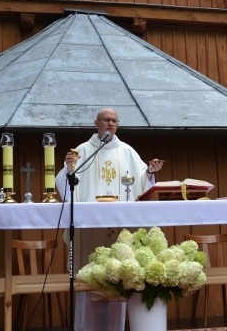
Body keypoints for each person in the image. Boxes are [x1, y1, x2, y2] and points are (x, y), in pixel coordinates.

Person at [55, 107, 164, 331]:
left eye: (114, 120)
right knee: (90, 275)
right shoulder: (83, 151)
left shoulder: (127, 151)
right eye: (106, 120)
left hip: (120, 225)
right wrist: (68, 169)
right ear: (96, 123)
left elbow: (143, 182)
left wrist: (151, 173)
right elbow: (64, 184)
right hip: (91, 228)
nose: (111, 123)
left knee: (120, 276)